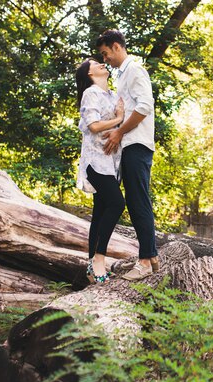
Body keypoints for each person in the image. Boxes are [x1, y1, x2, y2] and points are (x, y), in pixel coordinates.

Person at [97, 29, 159, 280]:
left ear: (116, 46)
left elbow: (145, 106)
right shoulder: (123, 75)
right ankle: (151, 255)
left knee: (137, 201)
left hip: (137, 143)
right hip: (130, 145)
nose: (104, 60)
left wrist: (120, 132)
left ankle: (144, 261)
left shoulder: (134, 70)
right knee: (135, 201)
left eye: (105, 53)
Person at [75, 58, 125, 284]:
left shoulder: (113, 95)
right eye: (95, 64)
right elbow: (94, 126)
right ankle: (99, 259)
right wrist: (119, 119)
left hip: (111, 163)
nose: (101, 64)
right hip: (95, 161)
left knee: (100, 211)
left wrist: (120, 121)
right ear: (89, 74)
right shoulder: (91, 93)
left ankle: (90, 266)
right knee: (117, 203)